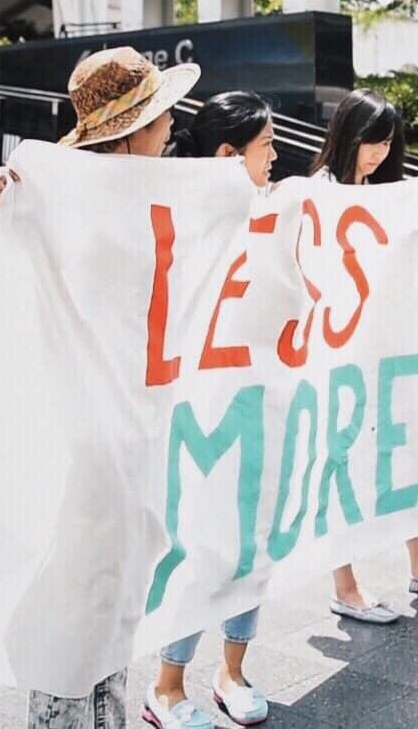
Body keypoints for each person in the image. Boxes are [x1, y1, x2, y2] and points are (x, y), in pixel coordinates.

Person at [0, 47, 203, 729]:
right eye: (159, 115)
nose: (170, 127)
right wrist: (20, 201)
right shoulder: (81, 203)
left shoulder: (138, 195)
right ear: (132, 128)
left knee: (110, 595)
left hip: (127, 428)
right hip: (93, 433)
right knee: (82, 596)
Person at [312, 90, 418, 622]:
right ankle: (344, 583)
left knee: (408, 449)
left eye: (387, 144)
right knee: (340, 462)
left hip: (386, 348)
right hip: (337, 352)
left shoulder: (384, 192)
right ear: (347, 135)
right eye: (371, 141)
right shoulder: (320, 191)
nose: (379, 153)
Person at [148, 93, 279, 728]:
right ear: (228, 155)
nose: (276, 155)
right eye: (265, 145)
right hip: (199, 406)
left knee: (250, 542)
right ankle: (167, 687)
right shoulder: (182, 208)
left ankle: (233, 671)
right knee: (202, 540)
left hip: (254, 396)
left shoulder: (271, 210)